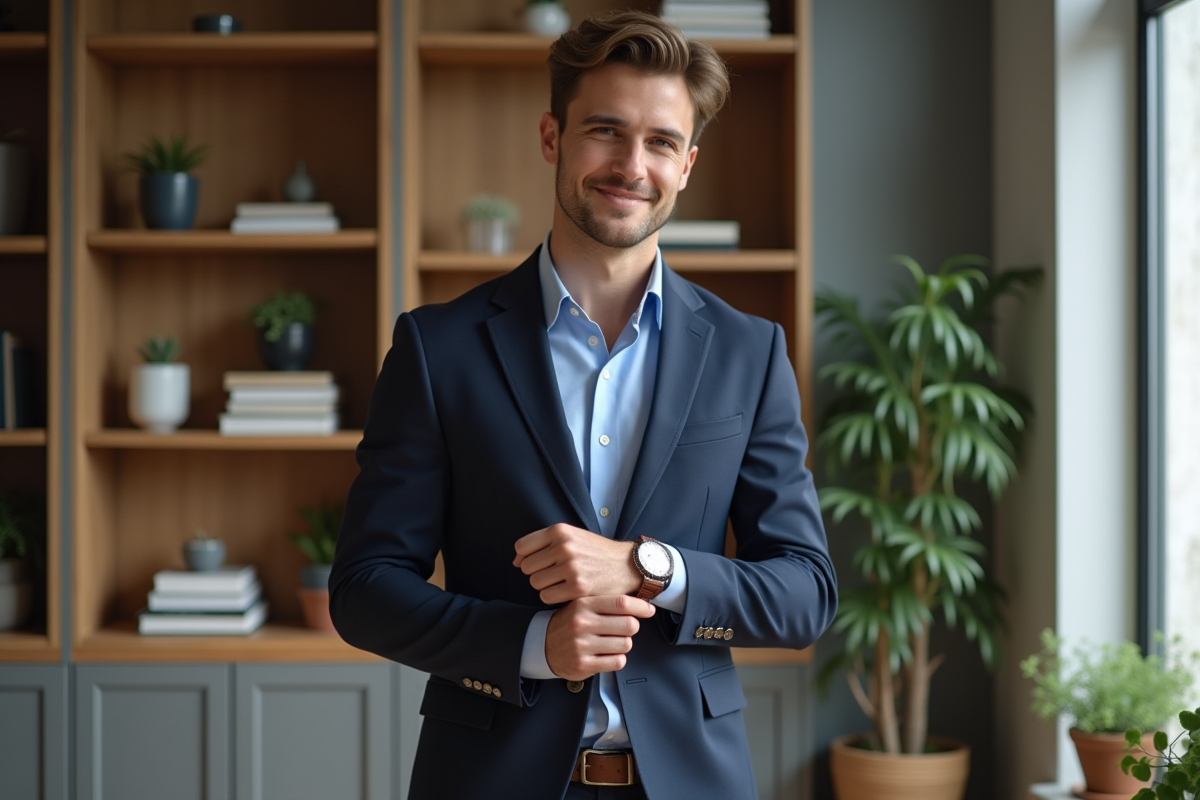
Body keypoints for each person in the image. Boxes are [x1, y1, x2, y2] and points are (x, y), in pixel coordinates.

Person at [329, 10, 837, 800]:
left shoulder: (750, 351)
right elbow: (364, 589)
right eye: (606, 130)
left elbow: (806, 594)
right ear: (551, 137)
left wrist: (649, 568)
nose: (632, 164)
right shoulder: (438, 348)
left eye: (662, 141)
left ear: (688, 164)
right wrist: (534, 643)